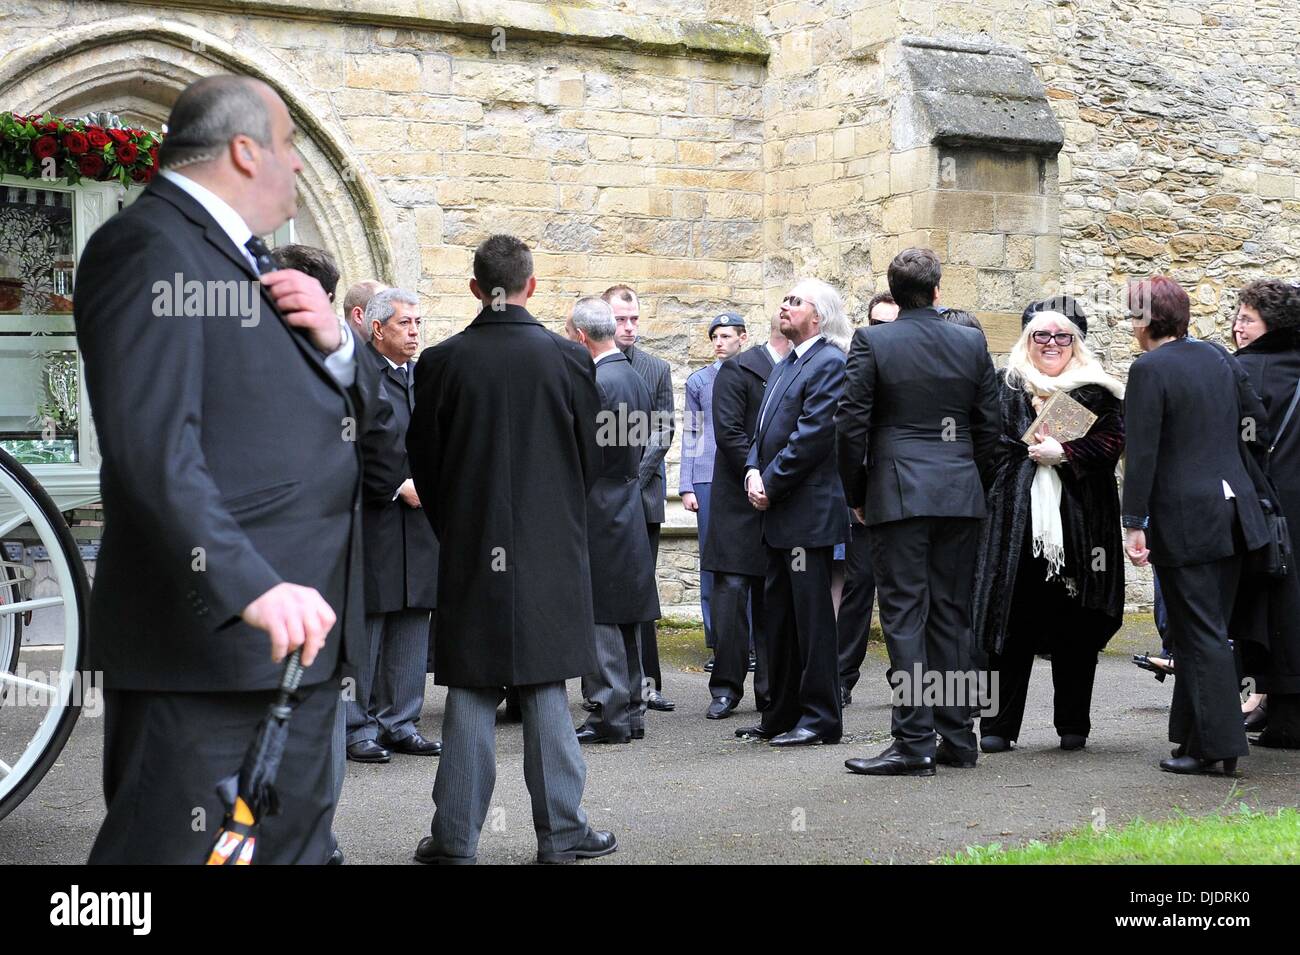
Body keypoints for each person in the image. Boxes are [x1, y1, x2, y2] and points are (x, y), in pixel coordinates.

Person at [77, 75, 369, 864]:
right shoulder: (145, 247)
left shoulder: (250, 259)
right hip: (210, 650)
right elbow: (151, 449)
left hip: (293, 650)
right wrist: (252, 585)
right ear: (246, 151)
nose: (300, 167)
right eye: (290, 146)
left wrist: (338, 350)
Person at [408, 235, 615, 864]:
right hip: (549, 546)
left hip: (472, 545)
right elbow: (594, 458)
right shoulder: (569, 358)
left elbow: (427, 465)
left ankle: (455, 841)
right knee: (546, 683)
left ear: (477, 288)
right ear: (532, 284)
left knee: (471, 686)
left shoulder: (440, 362)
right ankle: (562, 833)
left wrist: (459, 524)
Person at [836, 248, 999, 777]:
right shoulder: (970, 340)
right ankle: (958, 736)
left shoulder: (874, 340)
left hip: (899, 493)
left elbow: (851, 425)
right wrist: (973, 482)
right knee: (952, 615)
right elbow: (990, 426)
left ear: (895, 291)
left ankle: (913, 741)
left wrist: (856, 493)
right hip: (958, 493)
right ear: (936, 290)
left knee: (906, 618)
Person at [1122, 275, 1270, 776]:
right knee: (1202, 629)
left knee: (1200, 631)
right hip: (1234, 512)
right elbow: (1257, 423)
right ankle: (1191, 737)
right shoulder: (1216, 356)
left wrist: (1133, 522)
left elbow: (1141, 455)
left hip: (1187, 518)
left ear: (1144, 320)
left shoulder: (1149, 369)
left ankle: (1218, 747)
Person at [972, 304, 1126, 753]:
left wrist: (1067, 454)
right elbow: (988, 447)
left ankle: (1073, 725)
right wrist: (1028, 456)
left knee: (1075, 627)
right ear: (1027, 342)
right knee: (1009, 625)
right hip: (1014, 526)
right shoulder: (1006, 389)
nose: (1052, 345)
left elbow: (1112, 445)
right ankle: (998, 727)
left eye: (1062, 337)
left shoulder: (1098, 391)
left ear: (1075, 343)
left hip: (1080, 529)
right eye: (1042, 337)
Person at [734, 279, 851, 746]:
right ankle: (780, 713)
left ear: (818, 317)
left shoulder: (830, 363)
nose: (784, 306)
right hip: (779, 513)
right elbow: (762, 431)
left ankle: (821, 717)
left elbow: (813, 435)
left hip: (807, 512)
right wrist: (751, 470)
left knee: (812, 621)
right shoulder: (789, 361)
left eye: (794, 302)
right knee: (778, 619)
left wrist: (771, 482)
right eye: (784, 299)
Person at [345, 288, 441, 761]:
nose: (415, 331)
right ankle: (354, 725)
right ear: (377, 328)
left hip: (420, 522)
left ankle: (399, 720)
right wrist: (397, 484)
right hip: (376, 515)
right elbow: (352, 444)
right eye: (405, 323)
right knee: (369, 623)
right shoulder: (358, 373)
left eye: (419, 323)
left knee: (412, 618)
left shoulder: (422, 377)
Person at [567, 296, 661, 743]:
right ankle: (632, 711)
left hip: (600, 504)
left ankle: (609, 713)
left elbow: (588, 453)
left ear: (581, 336)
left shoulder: (599, 381)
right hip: (627, 497)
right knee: (625, 612)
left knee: (602, 611)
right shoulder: (633, 376)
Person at [703, 314, 787, 718]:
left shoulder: (800, 369)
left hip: (780, 500)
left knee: (773, 598)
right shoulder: (738, 370)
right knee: (732, 594)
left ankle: (771, 690)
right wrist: (757, 475)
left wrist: (778, 481)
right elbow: (730, 432)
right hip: (739, 501)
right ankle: (725, 687)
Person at [1231, 279, 1300, 748]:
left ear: (1269, 325)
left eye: (1246, 319)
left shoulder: (1241, 372)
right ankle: (1280, 713)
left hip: (1261, 509)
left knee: (1263, 610)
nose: (1237, 327)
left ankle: (1282, 721)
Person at [606, 284, 676, 713]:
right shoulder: (586, 363)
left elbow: (663, 429)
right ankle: (611, 685)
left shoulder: (656, 368)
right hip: (602, 499)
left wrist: (635, 474)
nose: (629, 327)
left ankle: (648, 683)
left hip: (643, 497)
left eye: (634, 319)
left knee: (641, 590)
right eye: (620, 320)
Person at [836, 294, 898, 706]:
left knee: (906, 595)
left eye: (891, 324)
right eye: (877, 323)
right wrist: (853, 495)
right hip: (864, 497)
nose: (883, 332)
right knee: (858, 590)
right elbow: (846, 433)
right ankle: (840, 678)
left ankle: (909, 684)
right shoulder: (855, 367)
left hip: (907, 500)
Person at [682, 313, 748, 666]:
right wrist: (686, 486)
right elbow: (691, 434)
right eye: (715, 337)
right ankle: (718, 641)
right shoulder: (698, 381)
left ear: (742, 337)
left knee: (747, 560)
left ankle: (749, 640)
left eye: (726, 336)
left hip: (743, 476)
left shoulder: (755, 373)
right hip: (707, 477)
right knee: (712, 559)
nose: (720, 342)